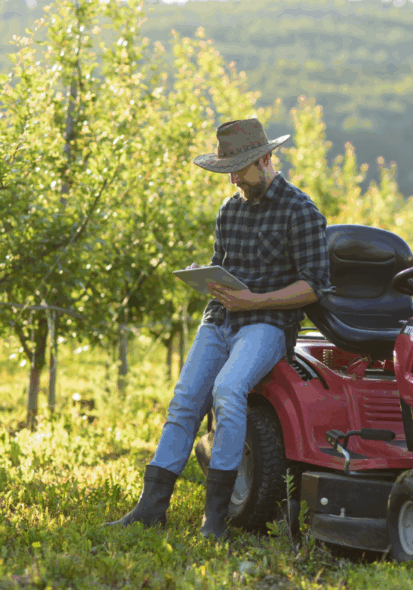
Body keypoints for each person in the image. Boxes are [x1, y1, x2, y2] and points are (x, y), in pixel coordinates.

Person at [106, 118, 332, 539]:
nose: (233, 178)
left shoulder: (301, 212)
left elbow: (314, 287)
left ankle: (216, 517)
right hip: (221, 319)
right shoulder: (229, 210)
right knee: (185, 400)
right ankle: (151, 507)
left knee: (228, 390)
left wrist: (256, 301)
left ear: (266, 159)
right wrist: (207, 276)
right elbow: (226, 267)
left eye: (241, 168)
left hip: (265, 324)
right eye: (228, 168)